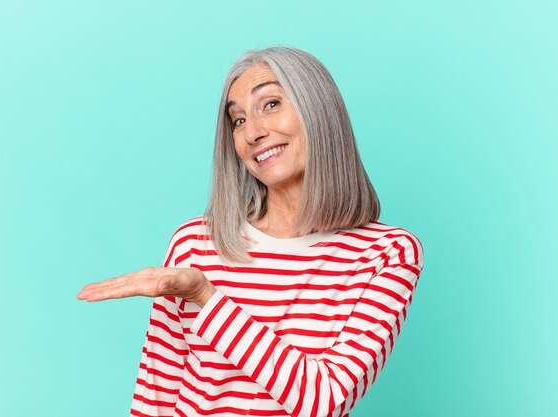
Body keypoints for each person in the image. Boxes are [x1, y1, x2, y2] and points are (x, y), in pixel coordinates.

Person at [77, 46, 425, 417]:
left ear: (319, 112)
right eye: (238, 120)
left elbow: (324, 399)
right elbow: (156, 394)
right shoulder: (195, 243)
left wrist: (204, 295)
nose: (253, 133)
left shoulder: (386, 254)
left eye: (271, 104)